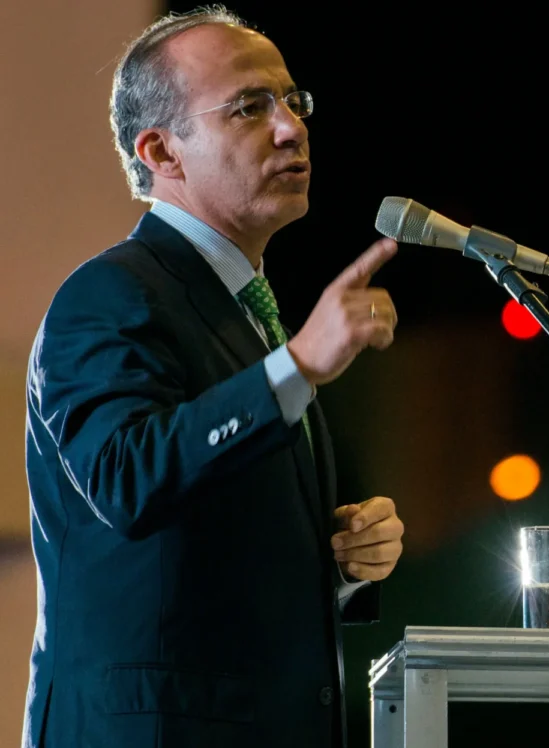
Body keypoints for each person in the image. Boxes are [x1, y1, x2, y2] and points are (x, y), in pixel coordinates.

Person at [22, 7, 405, 747]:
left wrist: (346, 563)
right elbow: (126, 479)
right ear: (162, 150)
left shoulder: (245, 314)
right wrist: (294, 366)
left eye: (294, 101)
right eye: (249, 108)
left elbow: (210, 560)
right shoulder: (109, 294)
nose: (291, 127)